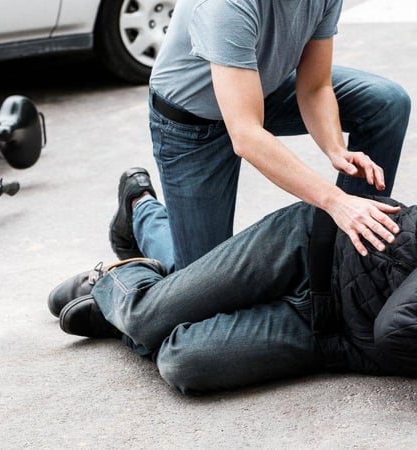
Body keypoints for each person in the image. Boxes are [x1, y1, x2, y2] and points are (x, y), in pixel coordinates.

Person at [49, 169, 417, 395]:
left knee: (182, 362)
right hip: (313, 248)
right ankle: (128, 251)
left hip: (335, 337)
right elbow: (396, 327)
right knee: (145, 316)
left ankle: (128, 309)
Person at [112, 0, 412, 270]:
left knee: (386, 102)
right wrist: (335, 201)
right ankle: (140, 209)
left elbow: (315, 86)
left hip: (260, 87)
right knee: (199, 282)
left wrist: (335, 148)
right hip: (191, 123)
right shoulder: (225, 6)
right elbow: (246, 135)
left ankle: (343, 261)